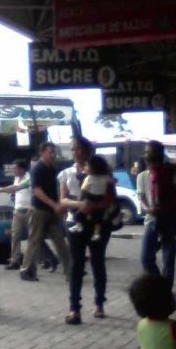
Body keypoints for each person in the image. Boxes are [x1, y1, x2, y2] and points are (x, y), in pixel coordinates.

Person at [59, 136, 115, 325]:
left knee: (98, 262)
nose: (77, 153)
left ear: (88, 151)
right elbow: (63, 200)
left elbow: (110, 199)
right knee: (76, 265)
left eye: (81, 149)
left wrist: (94, 206)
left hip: (99, 222)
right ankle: (74, 308)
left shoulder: (103, 172)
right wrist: (80, 204)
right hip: (75, 221)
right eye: (74, 149)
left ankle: (99, 303)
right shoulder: (65, 173)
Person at [18, 142, 70, 283]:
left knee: (59, 240)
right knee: (35, 240)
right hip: (39, 211)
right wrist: (54, 205)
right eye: (50, 152)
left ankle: (70, 270)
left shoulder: (53, 169)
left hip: (52, 211)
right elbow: (37, 191)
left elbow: (56, 189)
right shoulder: (37, 169)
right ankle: (26, 270)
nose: (53, 155)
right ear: (42, 153)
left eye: (54, 152)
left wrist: (59, 206)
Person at [141, 140, 176, 288]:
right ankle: (161, 287)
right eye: (146, 152)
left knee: (168, 260)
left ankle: (165, 294)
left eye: (149, 152)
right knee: (145, 258)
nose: (146, 155)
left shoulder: (172, 173)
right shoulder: (142, 176)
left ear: (159, 154)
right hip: (152, 220)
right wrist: (148, 209)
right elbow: (141, 197)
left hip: (170, 220)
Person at [0, 158, 35, 272]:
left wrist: (0, 190)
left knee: (34, 238)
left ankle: (48, 258)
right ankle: (14, 261)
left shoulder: (29, 178)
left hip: (29, 211)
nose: (14, 171)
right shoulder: (16, 178)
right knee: (15, 236)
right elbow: (15, 191)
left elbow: (15, 188)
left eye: (15, 168)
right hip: (17, 211)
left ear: (22, 169)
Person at [69, 154, 119, 242]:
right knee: (97, 218)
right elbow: (112, 182)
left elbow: (83, 190)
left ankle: (83, 226)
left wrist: (80, 201)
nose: (85, 167)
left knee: (83, 214)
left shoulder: (89, 178)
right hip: (99, 198)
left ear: (94, 168)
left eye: (87, 165)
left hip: (91, 198)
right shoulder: (105, 177)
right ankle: (95, 232)